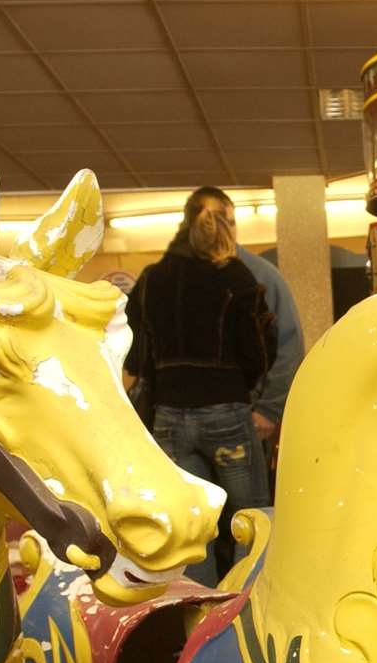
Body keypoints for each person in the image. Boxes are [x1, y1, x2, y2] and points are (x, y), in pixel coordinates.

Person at [127, 186, 274, 585]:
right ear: (226, 224)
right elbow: (260, 349)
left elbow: (137, 351)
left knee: (194, 522)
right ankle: (249, 607)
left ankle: (201, 614)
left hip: (170, 418)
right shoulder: (237, 278)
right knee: (251, 518)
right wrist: (244, 387)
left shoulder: (152, 279)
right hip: (225, 410)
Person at [235, 244, 304, 457]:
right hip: (242, 411)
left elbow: (289, 346)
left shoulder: (260, 275)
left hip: (248, 413)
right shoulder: (177, 275)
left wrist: (268, 410)